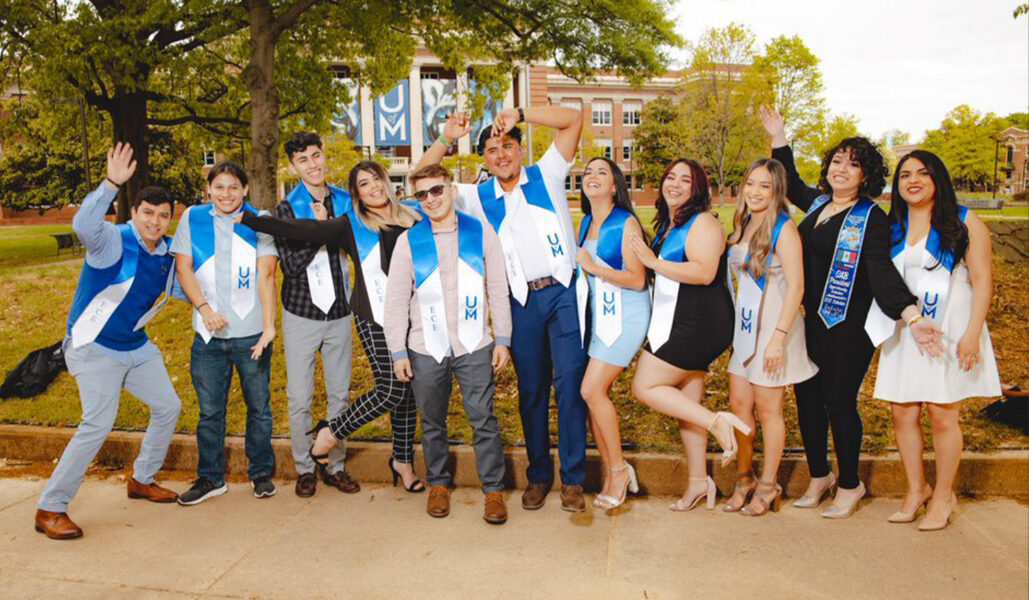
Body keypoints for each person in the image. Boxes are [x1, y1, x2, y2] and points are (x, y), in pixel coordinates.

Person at [760, 106, 943, 519]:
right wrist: (779, 136)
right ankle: (820, 475)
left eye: (853, 164)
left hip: (849, 326)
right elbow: (790, 185)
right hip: (813, 322)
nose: (842, 169)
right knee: (807, 399)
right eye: (837, 161)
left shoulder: (870, 219)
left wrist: (910, 314)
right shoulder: (820, 203)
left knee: (839, 402)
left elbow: (880, 271)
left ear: (866, 176)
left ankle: (849, 483)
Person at [416, 106, 590, 512]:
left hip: (563, 294)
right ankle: (539, 476)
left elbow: (574, 119)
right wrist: (445, 138)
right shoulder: (478, 197)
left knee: (569, 386)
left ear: (520, 147)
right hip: (521, 301)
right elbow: (424, 180)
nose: (500, 155)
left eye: (507, 146)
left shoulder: (545, 174)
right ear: (485, 159)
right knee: (531, 391)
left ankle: (574, 480)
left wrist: (521, 112)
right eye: (492, 150)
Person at [239, 160, 425, 492]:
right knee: (392, 388)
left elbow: (428, 174)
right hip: (374, 316)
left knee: (407, 391)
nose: (374, 187)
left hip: (413, 316)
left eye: (376, 180)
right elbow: (303, 231)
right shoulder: (350, 225)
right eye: (364, 184)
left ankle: (403, 461)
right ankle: (330, 433)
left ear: (386, 180)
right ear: (356, 195)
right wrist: (257, 221)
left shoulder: (410, 214)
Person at [35, 143, 182, 539]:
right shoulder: (112, 242)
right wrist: (109, 184)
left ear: (170, 219)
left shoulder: (167, 255)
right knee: (97, 424)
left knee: (168, 406)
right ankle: (50, 507)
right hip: (94, 348)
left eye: (163, 215)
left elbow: (187, 289)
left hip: (136, 348)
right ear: (133, 213)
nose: (154, 221)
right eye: (147, 213)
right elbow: (83, 227)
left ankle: (141, 479)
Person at [866, 150, 1001, 530]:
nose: (913, 180)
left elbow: (982, 280)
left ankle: (943, 495)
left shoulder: (962, 221)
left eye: (923, 173)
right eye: (905, 174)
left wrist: (973, 333)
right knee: (902, 411)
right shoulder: (891, 226)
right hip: (909, 329)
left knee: (943, 414)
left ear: (937, 178)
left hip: (951, 327)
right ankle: (916, 489)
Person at [379, 163, 512, 524]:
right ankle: (438, 483)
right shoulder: (410, 240)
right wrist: (397, 351)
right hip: (426, 345)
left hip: (474, 343)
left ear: (451, 189)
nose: (431, 199)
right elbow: (395, 301)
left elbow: (498, 286)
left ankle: (494, 490)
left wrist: (503, 337)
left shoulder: (480, 232)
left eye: (436, 190)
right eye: (422, 195)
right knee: (433, 420)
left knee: (482, 418)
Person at [628, 159, 750, 512]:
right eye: (671, 177)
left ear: (698, 189)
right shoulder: (671, 223)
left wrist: (654, 263)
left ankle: (718, 421)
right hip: (682, 317)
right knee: (687, 404)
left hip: (699, 321)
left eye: (686, 180)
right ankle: (699, 482)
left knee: (645, 386)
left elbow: (704, 271)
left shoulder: (705, 222)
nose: (675, 185)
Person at [173, 160, 279, 505]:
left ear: (245, 190)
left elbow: (266, 274)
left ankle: (261, 473)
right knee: (209, 411)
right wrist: (204, 309)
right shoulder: (193, 217)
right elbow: (183, 267)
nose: (226, 194)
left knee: (259, 407)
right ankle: (210, 478)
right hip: (207, 337)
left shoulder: (258, 219)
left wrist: (268, 328)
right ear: (209, 190)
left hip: (250, 335)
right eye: (219, 187)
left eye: (234, 187)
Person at [724, 158, 818, 516]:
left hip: (775, 330)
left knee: (768, 410)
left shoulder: (785, 230)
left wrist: (778, 338)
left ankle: (768, 484)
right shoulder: (744, 222)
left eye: (764, 186)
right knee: (738, 405)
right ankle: (744, 478)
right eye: (751, 183)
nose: (754, 192)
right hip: (746, 330)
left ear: (778, 190)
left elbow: (797, 287)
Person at [274, 131, 359, 496]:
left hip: (340, 311)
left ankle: (335, 464)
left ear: (323, 156)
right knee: (300, 397)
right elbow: (291, 265)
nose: (312, 164)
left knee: (340, 395)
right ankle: (306, 467)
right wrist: (320, 229)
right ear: (293, 166)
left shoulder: (345, 200)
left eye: (315, 155)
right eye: (303, 160)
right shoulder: (286, 209)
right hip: (301, 313)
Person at [573, 156, 651, 510]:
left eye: (601, 172)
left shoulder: (626, 223)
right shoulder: (587, 222)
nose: (592, 176)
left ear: (616, 185)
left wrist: (594, 269)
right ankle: (610, 472)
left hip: (627, 316)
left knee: (591, 389)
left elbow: (637, 279)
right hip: (601, 318)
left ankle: (619, 470)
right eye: (588, 172)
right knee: (593, 398)